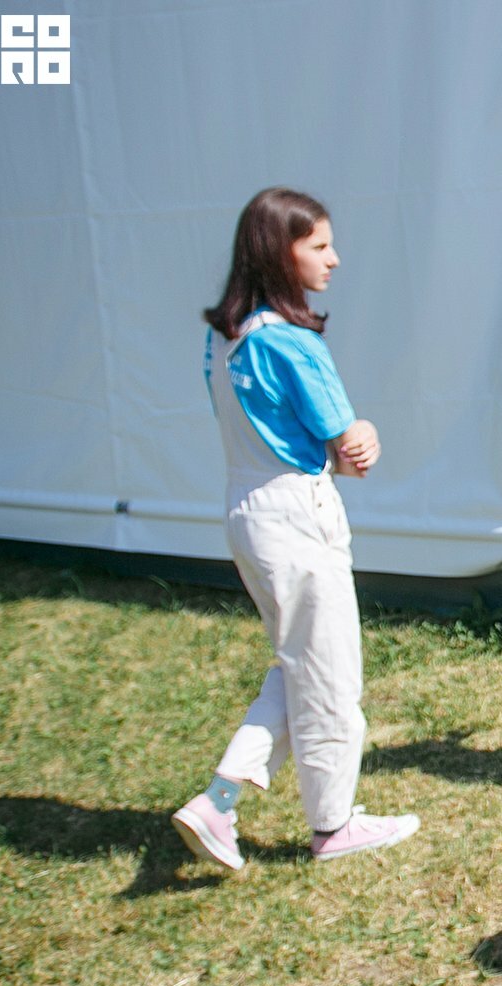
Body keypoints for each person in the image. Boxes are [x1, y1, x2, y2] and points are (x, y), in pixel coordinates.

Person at [171, 188, 419, 871]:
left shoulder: (225, 340)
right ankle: (325, 824)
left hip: (247, 511)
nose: (334, 259)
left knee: (301, 663)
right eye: (320, 246)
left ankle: (223, 798)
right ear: (281, 252)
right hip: (297, 516)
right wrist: (365, 434)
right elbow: (348, 448)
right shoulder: (291, 343)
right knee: (330, 677)